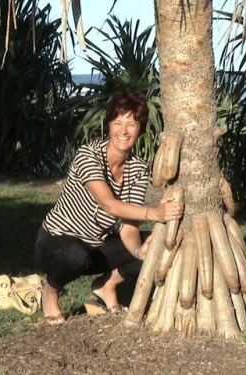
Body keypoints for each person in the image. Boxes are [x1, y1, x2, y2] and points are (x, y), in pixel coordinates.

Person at [34, 93, 184, 325]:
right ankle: (51, 291)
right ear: (109, 125)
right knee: (75, 253)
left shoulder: (137, 169)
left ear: (140, 129)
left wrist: (139, 253)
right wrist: (154, 213)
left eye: (131, 124)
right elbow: (108, 204)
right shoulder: (88, 155)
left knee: (158, 245)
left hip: (95, 247)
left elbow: (127, 227)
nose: (123, 131)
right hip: (55, 244)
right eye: (118, 123)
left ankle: (107, 285)